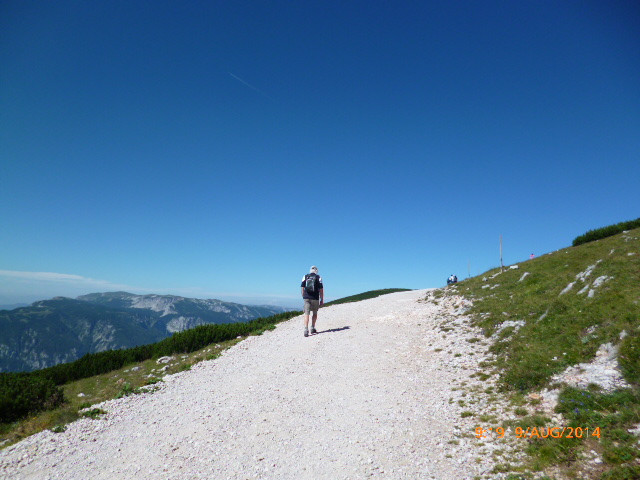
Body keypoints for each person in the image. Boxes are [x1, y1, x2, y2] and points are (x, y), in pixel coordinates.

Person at [301, 266, 324, 337]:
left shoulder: (305, 276)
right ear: (316, 271)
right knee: (314, 313)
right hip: (315, 298)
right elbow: (321, 289)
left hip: (306, 298)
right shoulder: (318, 277)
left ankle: (305, 329)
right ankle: (312, 327)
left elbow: (302, 287)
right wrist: (322, 299)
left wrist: (303, 296)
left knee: (306, 313)